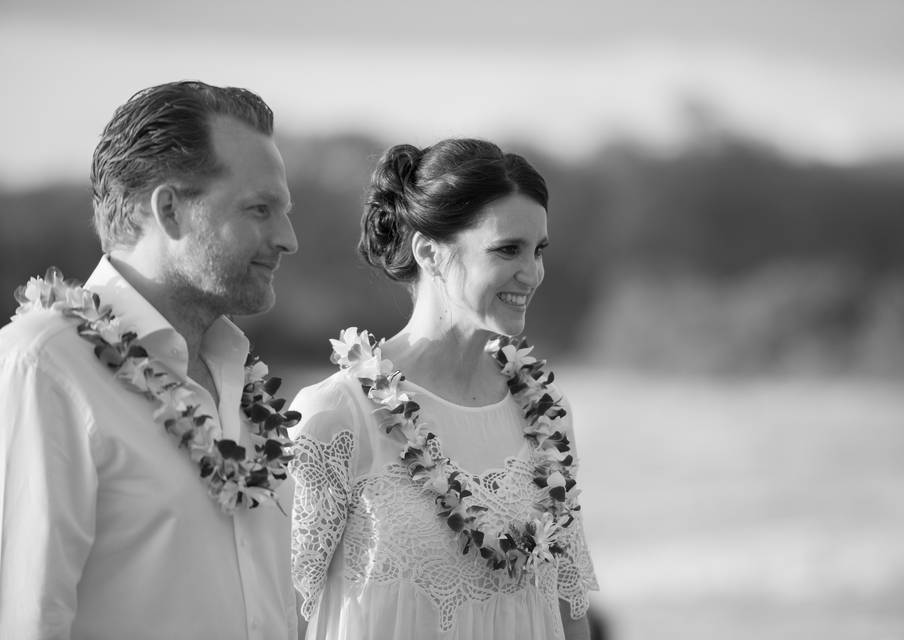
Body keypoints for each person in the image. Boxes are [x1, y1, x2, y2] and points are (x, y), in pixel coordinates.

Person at [0, 81, 300, 639]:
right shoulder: (44, 365)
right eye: (260, 209)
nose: (288, 239)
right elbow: (26, 618)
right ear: (170, 210)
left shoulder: (242, 383)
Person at [289, 138, 598, 640]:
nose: (533, 272)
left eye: (538, 250)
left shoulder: (547, 417)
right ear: (429, 253)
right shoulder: (336, 415)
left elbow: (569, 612)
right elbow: (278, 616)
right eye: (507, 249)